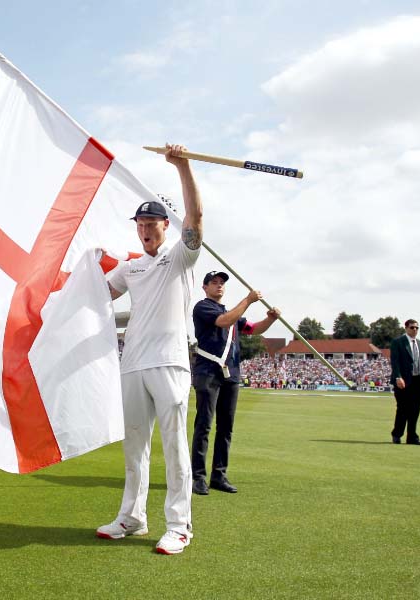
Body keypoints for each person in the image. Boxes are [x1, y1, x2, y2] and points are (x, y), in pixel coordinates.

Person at [95, 144, 202, 556]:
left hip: (170, 362)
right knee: (134, 446)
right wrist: (82, 266)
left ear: (165, 225)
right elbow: (98, 294)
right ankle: (132, 517)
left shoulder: (180, 257)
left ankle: (179, 525)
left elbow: (195, 219)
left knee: (174, 445)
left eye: (151, 222)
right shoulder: (133, 266)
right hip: (133, 362)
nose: (144, 229)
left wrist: (184, 168)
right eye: (139, 223)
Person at [190, 271, 280, 495]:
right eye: (214, 283)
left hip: (230, 373)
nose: (219, 286)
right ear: (205, 287)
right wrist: (248, 300)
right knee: (204, 425)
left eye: (221, 283)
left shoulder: (231, 313)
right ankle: (197, 477)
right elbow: (223, 322)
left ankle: (219, 475)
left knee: (226, 427)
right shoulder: (203, 307)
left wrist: (270, 319)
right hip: (208, 371)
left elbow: (253, 329)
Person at [390, 319, 420, 445]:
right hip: (403, 382)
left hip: (417, 382)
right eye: (412, 327)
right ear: (406, 328)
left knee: (415, 411)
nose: (414, 330)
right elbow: (395, 361)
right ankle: (397, 435)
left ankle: (412, 438)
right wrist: (398, 377)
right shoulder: (398, 342)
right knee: (402, 409)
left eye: (416, 328)